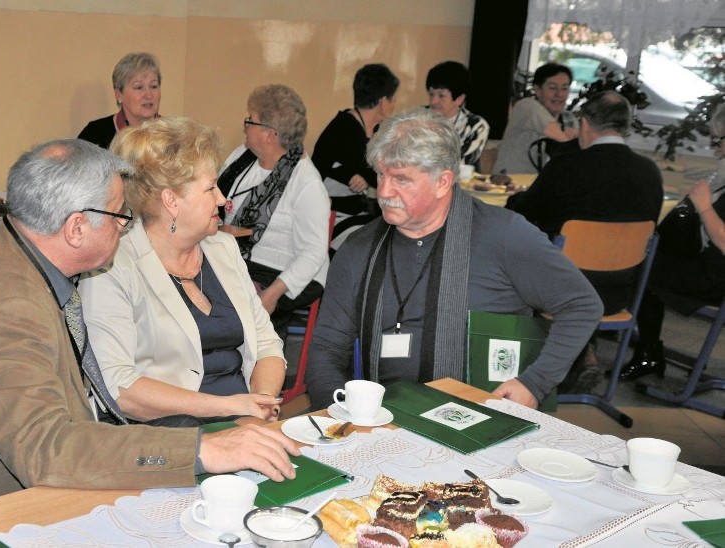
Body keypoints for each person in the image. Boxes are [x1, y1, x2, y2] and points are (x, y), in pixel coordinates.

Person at [0, 139, 298, 530]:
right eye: (119, 216)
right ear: (76, 228)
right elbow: (47, 448)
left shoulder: (0, 240)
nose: (127, 225)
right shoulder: (8, 309)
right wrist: (205, 449)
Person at [305, 109, 602, 411]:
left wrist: (534, 383)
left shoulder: (503, 236)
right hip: (385, 418)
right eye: (380, 174)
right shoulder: (359, 248)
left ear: (443, 182)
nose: (383, 191)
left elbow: (581, 305)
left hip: (484, 417)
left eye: (401, 179)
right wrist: (339, 413)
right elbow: (327, 349)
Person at [80, 117, 286, 426]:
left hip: (242, 420)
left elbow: (267, 343)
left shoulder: (223, 248)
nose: (223, 199)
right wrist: (225, 408)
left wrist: (260, 408)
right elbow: (119, 387)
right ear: (171, 201)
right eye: (211, 188)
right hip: (164, 436)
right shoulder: (112, 264)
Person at [506, 90, 664, 315]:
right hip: (618, 294)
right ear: (626, 127)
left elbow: (523, 213)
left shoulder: (566, 166)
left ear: (586, 123)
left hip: (559, 291)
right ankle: (583, 345)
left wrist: (515, 199)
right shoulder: (650, 172)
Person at [617, 104, 725, 380]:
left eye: (719, 140)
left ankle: (648, 352)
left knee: (640, 268)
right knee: (651, 255)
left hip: (715, 278)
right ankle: (647, 350)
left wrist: (704, 207)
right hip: (711, 267)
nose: (716, 148)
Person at [217, 84, 330, 338]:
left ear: (270, 134)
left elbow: (313, 252)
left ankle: (256, 370)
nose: (245, 125)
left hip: (286, 272)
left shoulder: (306, 182)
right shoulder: (242, 156)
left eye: (251, 120)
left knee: (233, 297)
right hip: (238, 259)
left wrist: (272, 293)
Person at [312, 64, 399, 252]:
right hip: (328, 217)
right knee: (388, 241)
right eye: (392, 100)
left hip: (350, 210)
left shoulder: (366, 128)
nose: (392, 106)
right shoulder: (346, 129)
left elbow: (368, 174)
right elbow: (377, 176)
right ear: (383, 101)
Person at [494, 63, 579, 174]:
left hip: (544, 186)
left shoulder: (569, 119)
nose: (559, 94)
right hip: (508, 183)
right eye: (553, 88)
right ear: (537, 90)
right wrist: (571, 142)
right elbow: (563, 142)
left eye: (564, 88)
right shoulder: (526, 106)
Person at [78, 52, 162, 149]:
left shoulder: (173, 136)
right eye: (139, 87)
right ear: (119, 94)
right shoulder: (95, 134)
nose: (148, 95)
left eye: (154, 86)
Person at [425, 61, 490, 169]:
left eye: (441, 96)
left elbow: (459, 164)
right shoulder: (417, 118)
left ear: (459, 99)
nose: (433, 101)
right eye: (431, 94)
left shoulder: (476, 126)